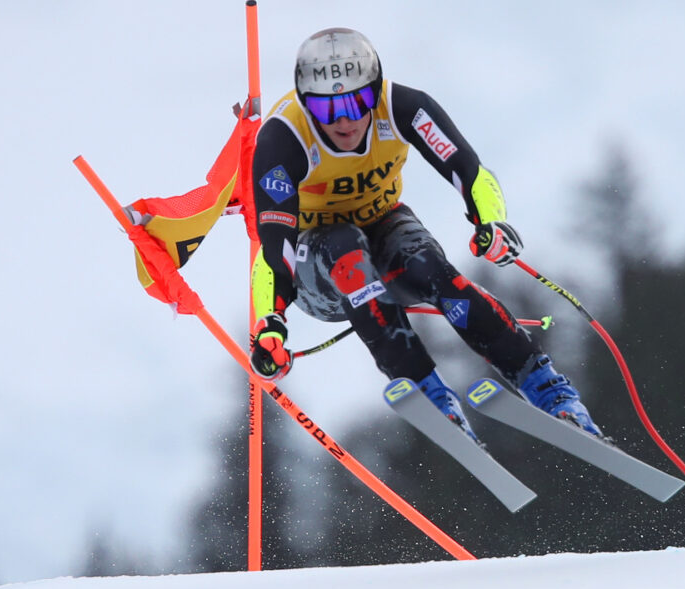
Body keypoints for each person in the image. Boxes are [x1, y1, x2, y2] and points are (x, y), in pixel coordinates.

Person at [248, 27, 603, 444]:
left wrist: (490, 223)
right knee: (344, 246)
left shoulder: (404, 107)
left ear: (376, 90)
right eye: (327, 111)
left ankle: (551, 392)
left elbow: (470, 171)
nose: (344, 120)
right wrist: (269, 322)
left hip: (383, 227)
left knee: (429, 267)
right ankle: (431, 395)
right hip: (318, 267)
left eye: (357, 102)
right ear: (307, 106)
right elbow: (274, 245)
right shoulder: (282, 137)